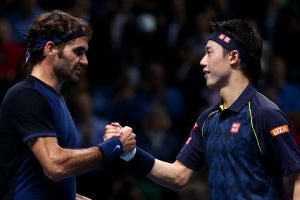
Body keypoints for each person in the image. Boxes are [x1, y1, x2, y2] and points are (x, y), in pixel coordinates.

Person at [105, 19, 300, 199]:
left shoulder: (265, 114)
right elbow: (178, 176)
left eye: (209, 52)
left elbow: (295, 177)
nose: (202, 62)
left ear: (233, 57)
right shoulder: (207, 119)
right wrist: (130, 152)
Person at [0, 10, 136, 200]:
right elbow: (55, 165)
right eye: (78, 51)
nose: (85, 61)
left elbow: (42, 181)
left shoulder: (56, 100)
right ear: (50, 49)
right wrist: (114, 146)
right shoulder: (26, 95)